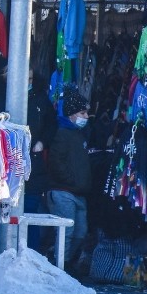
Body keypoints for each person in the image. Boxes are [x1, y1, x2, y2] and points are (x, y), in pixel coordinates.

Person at [47, 85, 91, 273]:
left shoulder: (78, 135)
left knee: (80, 232)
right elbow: (56, 161)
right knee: (68, 233)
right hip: (64, 191)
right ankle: (59, 267)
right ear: (72, 114)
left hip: (79, 192)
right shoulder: (61, 134)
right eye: (83, 112)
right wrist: (70, 181)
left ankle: (59, 261)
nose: (86, 117)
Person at [24, 68, 58, 252]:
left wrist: (42, 142)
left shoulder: (40, 99)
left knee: (30, 211)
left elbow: (51, 125)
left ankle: (31, 252)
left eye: (30, 78)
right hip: (10, 164)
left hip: (34, 164)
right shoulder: (4, 94)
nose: (27, 81)